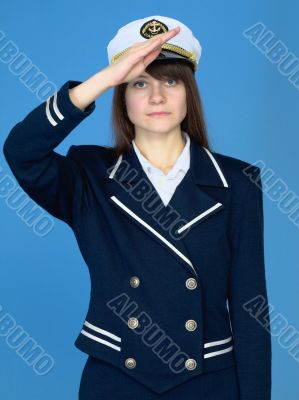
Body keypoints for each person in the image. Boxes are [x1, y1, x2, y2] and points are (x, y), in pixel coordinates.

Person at [3, 15, 271, 400]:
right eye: (139, 83)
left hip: (211, 380)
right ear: (122, 96)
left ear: (189, 93)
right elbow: (21, 151)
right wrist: (103, 80)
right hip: (115, 378)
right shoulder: (89, 176)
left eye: (171, 81)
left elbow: (251, 307)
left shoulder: (238, 181)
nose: (156, 97)